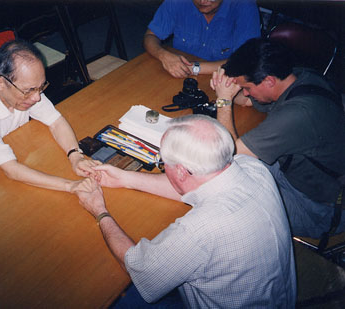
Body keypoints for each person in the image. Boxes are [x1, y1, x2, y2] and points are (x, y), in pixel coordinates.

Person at [77, 115, 296, 307]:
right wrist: (125, 178)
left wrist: (99, 211)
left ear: (181, 171)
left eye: (164, 163)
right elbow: (193, 188)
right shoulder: (253, 168)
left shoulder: (198, 229)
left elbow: (137, 268)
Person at [210, 38, 345, 239]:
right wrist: (230, 88)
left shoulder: (297, 116)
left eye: (246, 87)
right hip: (304, 175)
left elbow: (229, 156)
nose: (245, 92)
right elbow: (250, 101)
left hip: (319, 210)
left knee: (224, 192)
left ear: (269, 81)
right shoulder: (299, 77)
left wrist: (223, 100)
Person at [0, 40, 99, 193]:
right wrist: (70, 186)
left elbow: (56, 122)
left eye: (41, 87)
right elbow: (12, 170)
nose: (37, 98)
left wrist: (75, 156)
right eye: (29, 90)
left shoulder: (26, 89)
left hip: (7, 151)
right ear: (0, 84)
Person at [144, 0, 260, 78]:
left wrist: (193, 68)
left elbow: (246, 59)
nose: (202, 1)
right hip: (178, 76)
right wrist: (163, 55)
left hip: (224, 78)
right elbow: (150, 36)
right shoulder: (177, 2)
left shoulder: (244, 5)